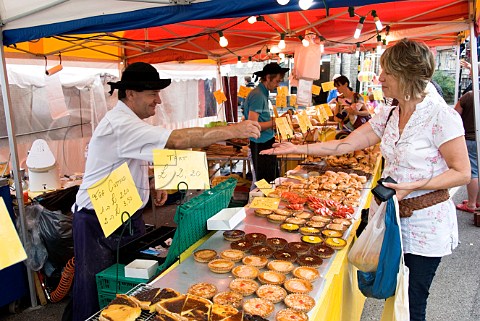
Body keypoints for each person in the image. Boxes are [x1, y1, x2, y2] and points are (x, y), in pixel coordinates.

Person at [261, 39, 470, 321]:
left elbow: (461, 172)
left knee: (412, 301)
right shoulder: (391, 113)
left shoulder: (441, 116)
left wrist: (414, 185)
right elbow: (344, 145)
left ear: (407, 74)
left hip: (425, 224)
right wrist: (298, 148)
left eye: (387, 72)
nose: (379, 78)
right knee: (393, 294)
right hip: (389, 219)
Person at [70, 62, 261, 321]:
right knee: (96, 289)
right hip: (97, 221)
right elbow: (178, 140)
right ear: (130, 94)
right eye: (152, 94)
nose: (158, 100)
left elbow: (128, 159)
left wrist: (150, 182)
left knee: (129, 291)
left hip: (123, 214)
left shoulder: (129, 121)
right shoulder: (121, 124)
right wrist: (232, 130)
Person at [243, 62, 289, 183]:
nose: (278, 85)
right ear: (268, 78)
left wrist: (276, 121)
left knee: (271, 180)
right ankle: (264, 202)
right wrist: (276, 122)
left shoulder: (262, 93)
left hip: (265, 142)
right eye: (277, 81)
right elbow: (253, 125)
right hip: (261, 144)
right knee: (266, 183)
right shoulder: (258, 95)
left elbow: (261, 119)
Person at [454, 90, 479, 213]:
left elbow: (454, 115)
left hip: (469, 139)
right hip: (477, 138)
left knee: (473, 172)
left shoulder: (469, 96)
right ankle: (478, 201)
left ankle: (471, 204)